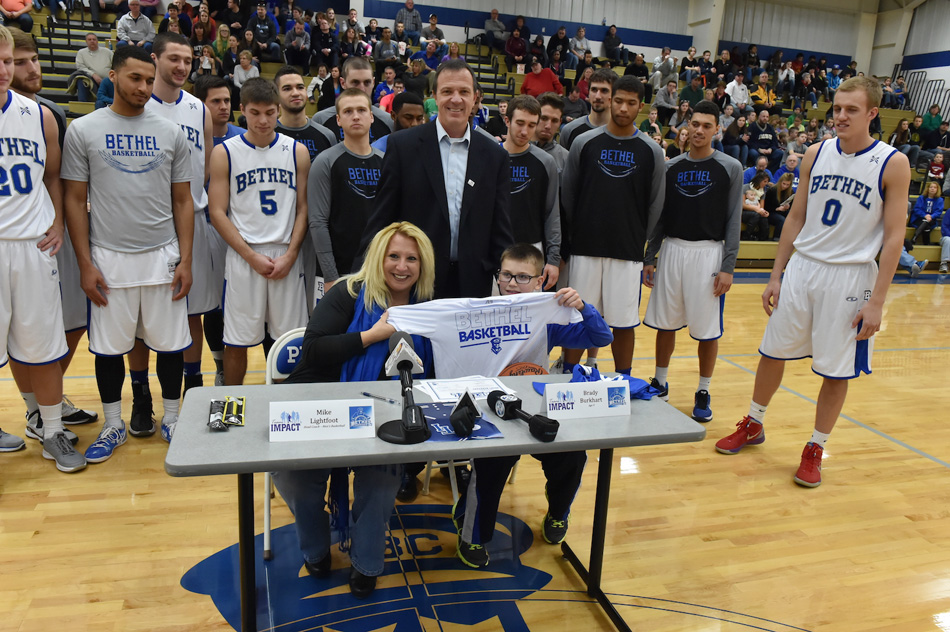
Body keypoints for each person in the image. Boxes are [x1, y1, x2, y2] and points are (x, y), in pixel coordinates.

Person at [714, 77, 910, 488]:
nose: (840, 116)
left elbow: (894, 237)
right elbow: (797, 217)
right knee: (772, 352)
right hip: (804, 267)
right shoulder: (816, 154)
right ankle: (753, 423)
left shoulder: (893, 162)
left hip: (851, 276)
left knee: (836, 372)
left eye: (851, 110)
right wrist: (776, 274)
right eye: (837, 108)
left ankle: (816, 447)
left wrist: (876, 302)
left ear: (872, 113)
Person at [389, 243, 611, 566]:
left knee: (574, 454)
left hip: (535, 410)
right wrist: (394, 315)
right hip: (487, 412)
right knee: (491, 464)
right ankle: (471, 531)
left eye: (522, 277)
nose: (511, 283)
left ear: (540, 282)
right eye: (506, 274)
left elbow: (601, 338)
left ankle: (559, 512)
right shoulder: (475, 312)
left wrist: (583, 307)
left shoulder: (544, 318)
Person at [271, 221, 436, 598]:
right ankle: (315, 548)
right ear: (378, 257)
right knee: (294, 479)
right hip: (322, 405)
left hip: (386, 416)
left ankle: (366, 564)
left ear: (422, 265)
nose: (402, 266)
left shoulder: (426, 308)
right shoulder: (348, 292)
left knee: (380, 483)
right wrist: (371, 337)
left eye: (412, 258)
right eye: (393, 256)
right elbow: (313, 349)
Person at [62, 44, 195, 463]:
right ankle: (114, 424)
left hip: (163, 254)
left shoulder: (171, 132)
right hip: (108, 257)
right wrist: (85, 263)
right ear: (114, 76)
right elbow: (74, 200)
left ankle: (172, 418)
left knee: (172, 345)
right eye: (133, 78)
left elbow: (183, 202)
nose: (142, 87)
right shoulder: (83, 130)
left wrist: (187, 259)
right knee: (108, 348)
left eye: (147, 79)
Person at [0, 24, 87, 469]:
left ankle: (51, 431)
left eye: (5, 60)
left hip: (32, 246)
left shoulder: (39, 115)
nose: (3, 70)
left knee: (44, 344)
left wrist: (55, 220)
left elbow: (53, 177)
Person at [362, 59, 513, 299]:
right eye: (447, 91)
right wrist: (362, 278)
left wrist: (510, 281)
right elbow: (382, 218)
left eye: (464, 92)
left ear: (475, 97)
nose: (456, 99)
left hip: (474, 285)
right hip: (415, 282)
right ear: (433, 96)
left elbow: (501, 228)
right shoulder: (403, 146)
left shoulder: (495, 155)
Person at [643, 99, 742, 421]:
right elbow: (660, 217)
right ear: (687, 125)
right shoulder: (671, 167)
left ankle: (703, 389)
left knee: (707, 330)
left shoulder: (730, 167)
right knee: (665, 324)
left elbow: (733, 220)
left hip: (709, 254)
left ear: (717, 129)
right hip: (672, 249)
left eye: (706, 126)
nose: (699, 130)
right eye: (694, 124)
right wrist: (650, 256)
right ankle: (659, 381)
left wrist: (728, 266)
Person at [207, 79, 309, 387]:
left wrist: (291, 254)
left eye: (269, 112)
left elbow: (303, 209)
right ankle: (231, 403)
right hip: (244, 255)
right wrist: (250, 256)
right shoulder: (225, 152)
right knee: (237, 340)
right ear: (243, 111)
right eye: (255, 113)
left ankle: (284, 405)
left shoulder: (297, 151)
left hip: (286, 255)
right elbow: (216, 212)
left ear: (278, 110)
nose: (263, 120)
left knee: (288, 342)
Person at [560, 75, 663, 376]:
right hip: (585, 247)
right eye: (619, 100)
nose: (623, 107)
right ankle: (569, 373)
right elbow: (569, 196)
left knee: (623, 321)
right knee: (579, 317)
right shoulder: (584, 142)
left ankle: (624, 379)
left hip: (626, 250)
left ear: (641, 106)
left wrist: (638, 240)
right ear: (611, 100)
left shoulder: (651, 151)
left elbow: (656, 205)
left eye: (631, 103)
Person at [144, 33, 215, 414]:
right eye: (173, 58)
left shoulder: (198, 109)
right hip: (151, 226)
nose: (182, 67)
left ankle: (194, 384)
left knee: (193, 311)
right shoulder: (141, 106)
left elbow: (201, 172)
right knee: (145, 314)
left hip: (194, 219)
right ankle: (142, 392)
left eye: (187, 60)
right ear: (154, 59)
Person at [309, 87, 384, 298]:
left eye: (361, 110)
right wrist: (330, 276)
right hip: (337, 272)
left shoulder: (386, 161)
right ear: (339, 119)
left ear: (371, 116)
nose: (356, 116)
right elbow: (317, 222)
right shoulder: (325, 161)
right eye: (348, 111)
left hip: (376, 271)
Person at [500, 95, 561, 289]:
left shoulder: (546, 162)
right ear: (507, 120)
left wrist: (553, 259)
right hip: (494, 248)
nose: (525, 131)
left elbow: (552, 213)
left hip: (532, 250)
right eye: (520, 123)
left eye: (531, 125)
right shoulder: (490, 156)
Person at [314, 57, 393, 144]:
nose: (362, 89)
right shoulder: (321, 120)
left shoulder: (388, 121)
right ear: (343, 83)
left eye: (367, 82)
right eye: (355, 82)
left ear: (373, 82)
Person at [559, 68, 615, 149]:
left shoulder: (625, 133)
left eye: (604, 90)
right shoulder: (569, 130)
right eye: (594, 90)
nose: (598, 96)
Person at [532, 91, 569, 172]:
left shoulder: (566, 158)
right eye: (544, 118)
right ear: (534, 117)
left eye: (554, 121)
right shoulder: (516, 150)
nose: (548, 126)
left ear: (560, 122)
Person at [75, 33, 113, 103]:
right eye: (89, 39)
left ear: (97, 41)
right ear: (86, 41)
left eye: (94, 39)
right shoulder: (81, 53)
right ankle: (82, 104)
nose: (92, 41)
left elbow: (116, 65)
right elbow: (80, 67)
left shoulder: (107, 52)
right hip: (91, 79)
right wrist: (93, 74)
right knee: (80, 80)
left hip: (109, 80)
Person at [763, 172, 794, 240]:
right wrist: (777, 209)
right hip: (771, 212)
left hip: (782, 211)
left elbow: (792, 206)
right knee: (781, 220)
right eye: (784, 184)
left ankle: (790, 237)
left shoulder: (790, 192)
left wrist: (787, 207)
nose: (785, 186)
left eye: (787, 185)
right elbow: (766, 207)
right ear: (780, 182)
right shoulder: (772, 190)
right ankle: (776, 238)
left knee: (791, 216)